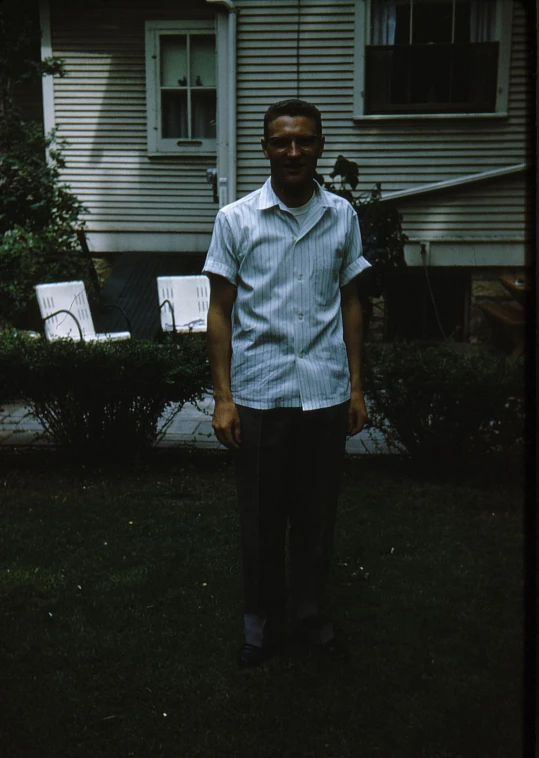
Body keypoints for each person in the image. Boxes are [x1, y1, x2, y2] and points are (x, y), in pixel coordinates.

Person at [202, 99, 371, 668]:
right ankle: (260, 622)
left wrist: (355, 386)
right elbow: (220, 311)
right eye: (281, 141)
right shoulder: (237, 219)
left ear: (319, 144)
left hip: (323, 392)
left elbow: (351, 300)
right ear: (265, 147)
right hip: (259, 394)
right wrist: (224, 399)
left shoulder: (342, 216)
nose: (293, 152)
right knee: (260, 518)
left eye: (304, 141)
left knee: (317, 516)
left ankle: (311, 617)